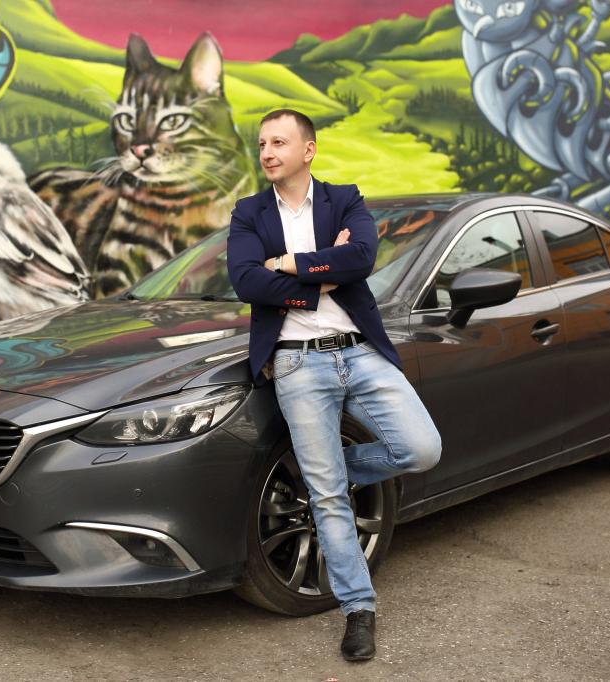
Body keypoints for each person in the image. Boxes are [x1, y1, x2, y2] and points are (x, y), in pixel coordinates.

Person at [226, 109, 442, 662]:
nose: (267, 152)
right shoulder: (249, 212)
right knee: (326, 497)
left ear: (308, 150)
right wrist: (317, 282)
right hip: (297, 365)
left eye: (279, 142)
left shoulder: (343, 200)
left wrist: (288, 263)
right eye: (262, 143)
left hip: (361, 353)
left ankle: (326, 477)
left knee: (420, 448)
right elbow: (246, 280)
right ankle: (358, 608)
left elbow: (361, 258)